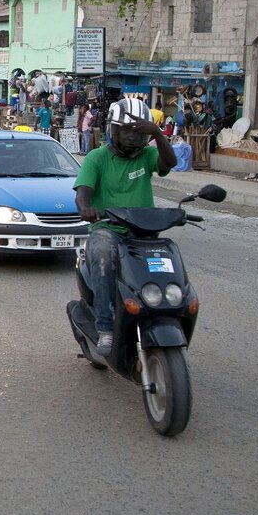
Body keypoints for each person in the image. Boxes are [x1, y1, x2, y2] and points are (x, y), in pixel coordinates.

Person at [74, 98, 176, 355]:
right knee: (104, 256)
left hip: (143, 232)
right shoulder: (97, 158)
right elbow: (83, 192)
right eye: (126, 131)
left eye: (139, 132)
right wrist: (87, 208)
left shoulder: (148, 156)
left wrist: (157, 133)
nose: (132, 137)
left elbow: (169, 163)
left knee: (168, 262)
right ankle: (106, 327)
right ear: (113, 130)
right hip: (107, 230)